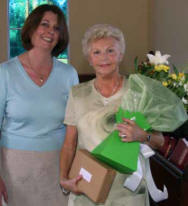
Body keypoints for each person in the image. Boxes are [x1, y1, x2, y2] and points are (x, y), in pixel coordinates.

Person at [0, 4, 78, 206]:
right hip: (15, 170)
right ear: (32, 27)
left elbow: (75, 128)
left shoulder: (69, 75)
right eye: (45, 24)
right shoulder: (5, 72)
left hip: (58, 169)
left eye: (57, 28)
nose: (50, 31)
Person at [59, 24, 166, 206]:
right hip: (88, 189)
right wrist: (63, 178)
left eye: (110, 51)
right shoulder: (77, 94)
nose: (104, 58)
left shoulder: (138, 92)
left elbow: (159, 141)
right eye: (97, 52)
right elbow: (69, 144)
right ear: (89, 58)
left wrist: (142, 135)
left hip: (128, 191)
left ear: (120, 55)